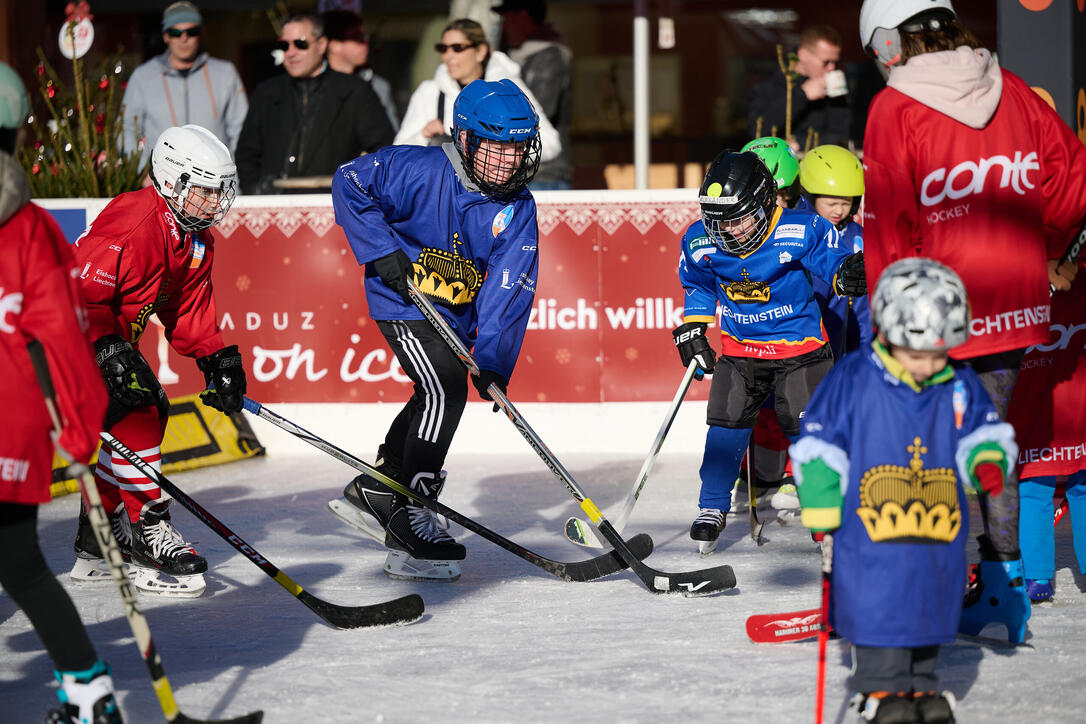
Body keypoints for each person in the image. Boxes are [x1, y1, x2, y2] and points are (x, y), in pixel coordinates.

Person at [859, 0, 1085, 640]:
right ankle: (1003, 592)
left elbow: (888, 227)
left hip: (935, 313)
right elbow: (1071, 191)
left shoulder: (894, 109)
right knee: (989, 446)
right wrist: (1051, 253)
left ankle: (936, 587)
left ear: (889, 45)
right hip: (1015, 308)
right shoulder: (1012, 90)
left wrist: (888, 328)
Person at [330, 79, 542, 581]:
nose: (510, 161)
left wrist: (492, 360)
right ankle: (411, 512)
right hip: (402, 302)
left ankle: (380, 488)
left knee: (440, 385)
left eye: (518, 148)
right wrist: (381, 251)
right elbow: (348, 180)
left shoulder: (518, 207)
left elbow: (509, 289)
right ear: (465, 140)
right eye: (497, 147)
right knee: (443, 385)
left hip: (455, 315)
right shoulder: (416, 169)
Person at [793, 258, 1017, 723]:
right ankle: (881, 691)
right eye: (918, 355)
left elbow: (982, 431)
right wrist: (819, 497)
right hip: (870, 532)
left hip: (937, 530)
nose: (928, 366)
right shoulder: (855, 376)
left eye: (939, 355)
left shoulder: (957, 384)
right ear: (888, 332)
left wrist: (988, 463)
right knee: (878, 609)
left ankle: (922, 688)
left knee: (932, 606)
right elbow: (818, 440)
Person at [70, 124, 247, 598]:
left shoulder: (196, 242)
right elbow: (79, 292)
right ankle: (148, 529)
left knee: (140, 411)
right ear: (172, 182)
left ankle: (100, 541)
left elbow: (187, 312)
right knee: (141, 410)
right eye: (204, 191)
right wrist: (106, 346)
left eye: (220, 191)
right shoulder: (133, 219)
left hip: (101, 342)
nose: (214, 202)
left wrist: (215, 356)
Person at [0, 61, 123, 724]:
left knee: (18, 563)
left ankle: (88, 688)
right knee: (18, 564)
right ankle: (88, 689)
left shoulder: (30, 229)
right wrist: (80, 427)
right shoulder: (33, 229)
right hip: (11, 427)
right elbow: (66, 342)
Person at [672, 150, 866, 555]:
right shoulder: (700, 238)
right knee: (725, 424)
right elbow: (700, 284)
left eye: (739, 218)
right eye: (719, 220)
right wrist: (693, 326)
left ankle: (824, 517)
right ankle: (712, 506)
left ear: (766, 203)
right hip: (742, 351)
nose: (730, 231)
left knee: (811, 435)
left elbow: (831, 260)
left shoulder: (801, 227)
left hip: (801, 350)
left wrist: (845, 273)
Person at [235, 13, 395, 194]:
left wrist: (354, 190)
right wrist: (255, 190)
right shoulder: (267, 92)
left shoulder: (355, 91)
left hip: (332, 209)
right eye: (284, 45)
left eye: (300, 44)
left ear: (321, 45)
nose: (291, 52)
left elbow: (384, 151)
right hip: (275, 210)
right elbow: (246, 154)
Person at [1007, 263, 1086, 602]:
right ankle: (1037, 575)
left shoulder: (1016, 276)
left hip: (1045, 402)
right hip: (1047, 402)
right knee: (1062, 487)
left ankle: (1038, 577)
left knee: (1040, 489)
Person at [394, 18, 561, 167]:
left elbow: (550, 143)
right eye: (443, 48)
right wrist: (423, 136)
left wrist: (504, 157)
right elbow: (397, 155)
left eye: (457, 48)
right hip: (442, 193)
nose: (447, 56)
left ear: (481, 51)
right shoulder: (430, 92)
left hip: (497, 195)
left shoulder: (510, 91)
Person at [121, 1, 248, 163]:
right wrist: (143, 171)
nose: (184, 38)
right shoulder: (143, 77)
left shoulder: (224, 73)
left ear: (201, 33)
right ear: (166, 36)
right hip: (164, 181)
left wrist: (232, 174)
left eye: (191, 31)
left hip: (215, 183)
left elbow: (241, 129)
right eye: (175, 32)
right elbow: (128, 129)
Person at [798, 144, 871, 357]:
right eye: (831, 203)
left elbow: (864, 310)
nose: (839, 210)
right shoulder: (800, 234)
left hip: (850, 344)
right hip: (805, 345)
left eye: (846, 203)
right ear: (811, 198)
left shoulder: (858, 236)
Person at [495, 0, 573, 189]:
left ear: (523, 16)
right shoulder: (517, 57)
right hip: (523, 170)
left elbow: (536, 112)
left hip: (544, 173)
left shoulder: (549, 57)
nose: (504, 25)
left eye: (507, 18)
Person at [747, 25, 851, 148]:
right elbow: (757, 133)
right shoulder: (769, 86)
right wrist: (802, 95)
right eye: (826, 62)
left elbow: (841, 136)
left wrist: (799, 144)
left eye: (835, 62)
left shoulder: (833, 88)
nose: (832, 68)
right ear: (803, 55)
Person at [322, 9, 399, 131]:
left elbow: (392, 141)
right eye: (358, 37)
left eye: (366, 36)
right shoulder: (311, 86)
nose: (366, 43)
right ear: (334, 45)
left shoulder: (378, 86)